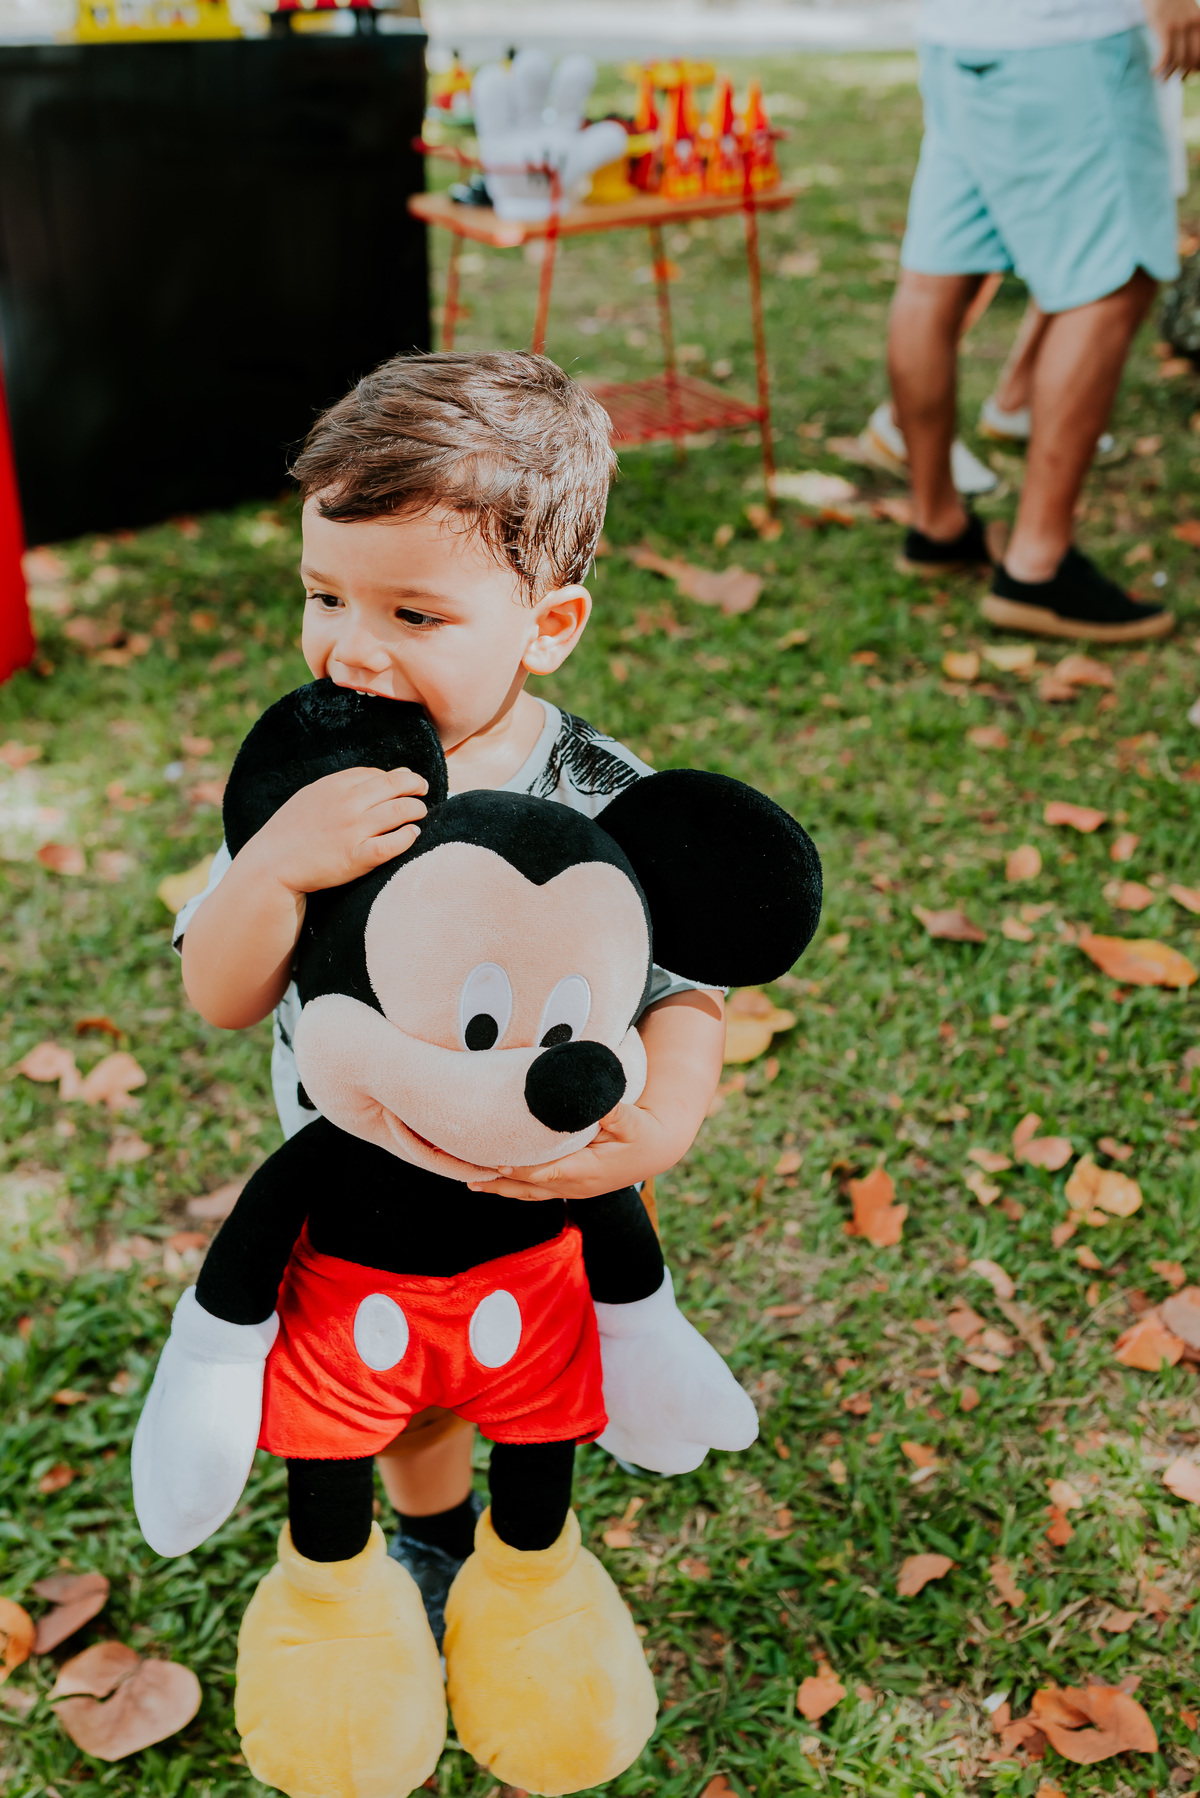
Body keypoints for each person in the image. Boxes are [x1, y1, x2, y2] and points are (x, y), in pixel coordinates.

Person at [171, 350, 726, 1641]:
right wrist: (275, 866)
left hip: (547, 1184)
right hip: (357, 1186)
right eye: (324, 595)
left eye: (415, 615)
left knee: (535, 1371)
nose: (353, 649)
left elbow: (685, 978)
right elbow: (223, 993)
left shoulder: (597, 789)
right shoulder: (306, 781)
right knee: (403, 1397)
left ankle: (529, 1562)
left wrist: (668, 1116)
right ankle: (431, 1532)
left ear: (549, 624)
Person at [889, 0, 1200, 642]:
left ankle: (936, 525)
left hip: (957, 37)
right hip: (1067, 41)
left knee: (933, 279)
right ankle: (1038, 564)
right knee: (1114, 281)